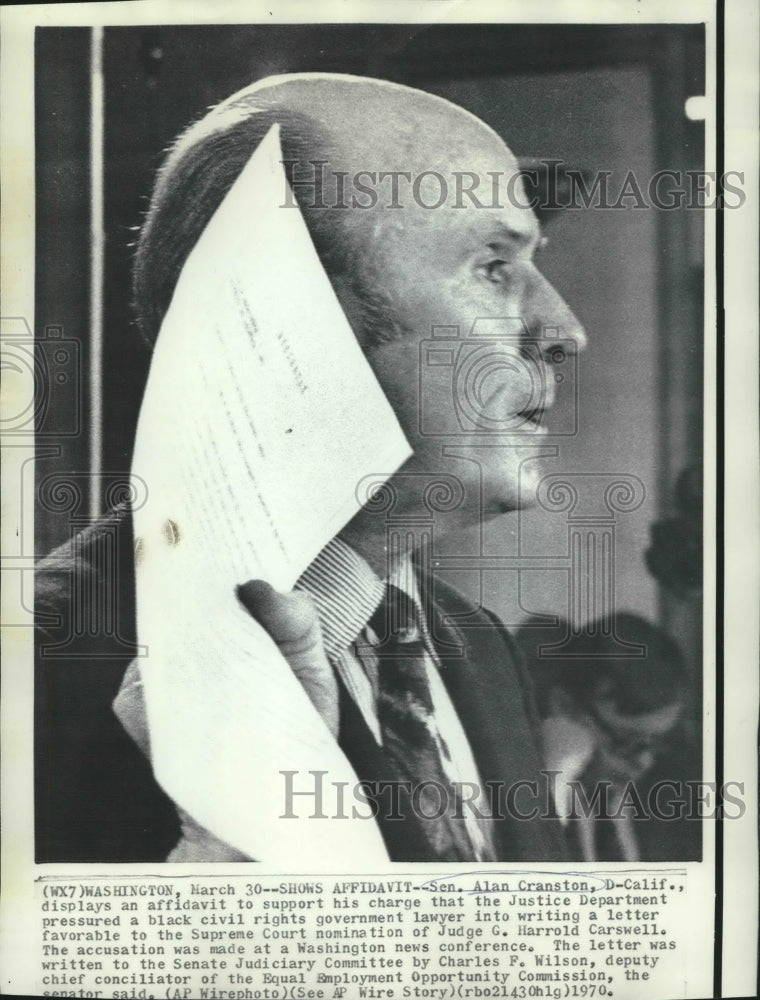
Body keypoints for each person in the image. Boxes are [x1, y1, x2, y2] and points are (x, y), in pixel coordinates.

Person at [35, 73, 587, 862]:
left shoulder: (481, 650)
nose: (564, 330)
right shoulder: (40, 664)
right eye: (492, 267)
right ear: (280, 314)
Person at [517, 614, 691, 861]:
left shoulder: (652, 802)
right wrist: (558, 771)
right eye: (627, 743)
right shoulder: (538, 779)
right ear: (565, 707)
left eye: (658, 743)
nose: (645, 762)